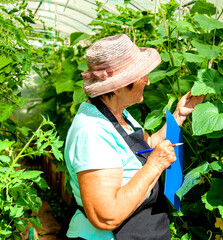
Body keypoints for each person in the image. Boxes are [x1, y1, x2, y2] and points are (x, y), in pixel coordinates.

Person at [64, 34, 205, 240]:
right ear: (120, 85)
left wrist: (179, 115)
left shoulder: (120, 114)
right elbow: (106, 217)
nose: (147, 81)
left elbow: (146, 146)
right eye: (141, 75)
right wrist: (155, 165)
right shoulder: (91, 132)